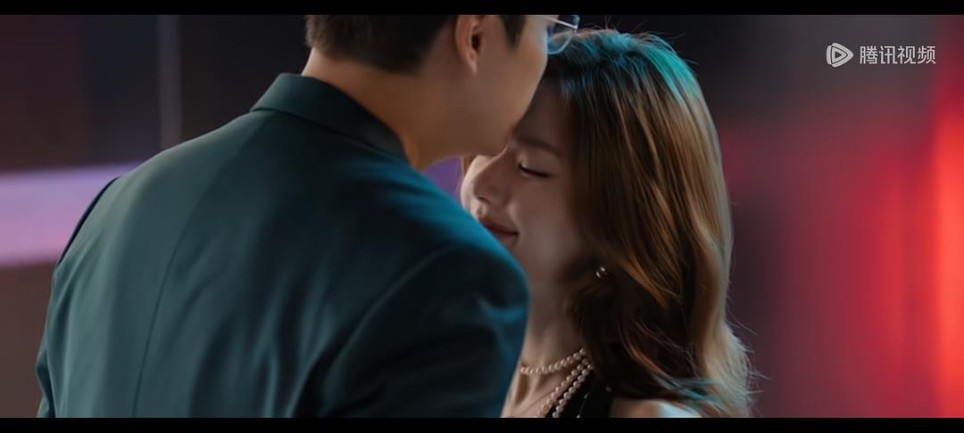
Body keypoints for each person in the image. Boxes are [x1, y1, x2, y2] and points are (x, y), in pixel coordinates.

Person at [35, 14, 579, 417]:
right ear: (475, 34)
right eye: (547, 30)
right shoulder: (449, 272)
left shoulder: (118, 207)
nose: (547, 54)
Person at [460, 29, 753, 418]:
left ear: (623, 217)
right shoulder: (458, 375)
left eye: (530, 168)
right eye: (484, 147)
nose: (480, 184)